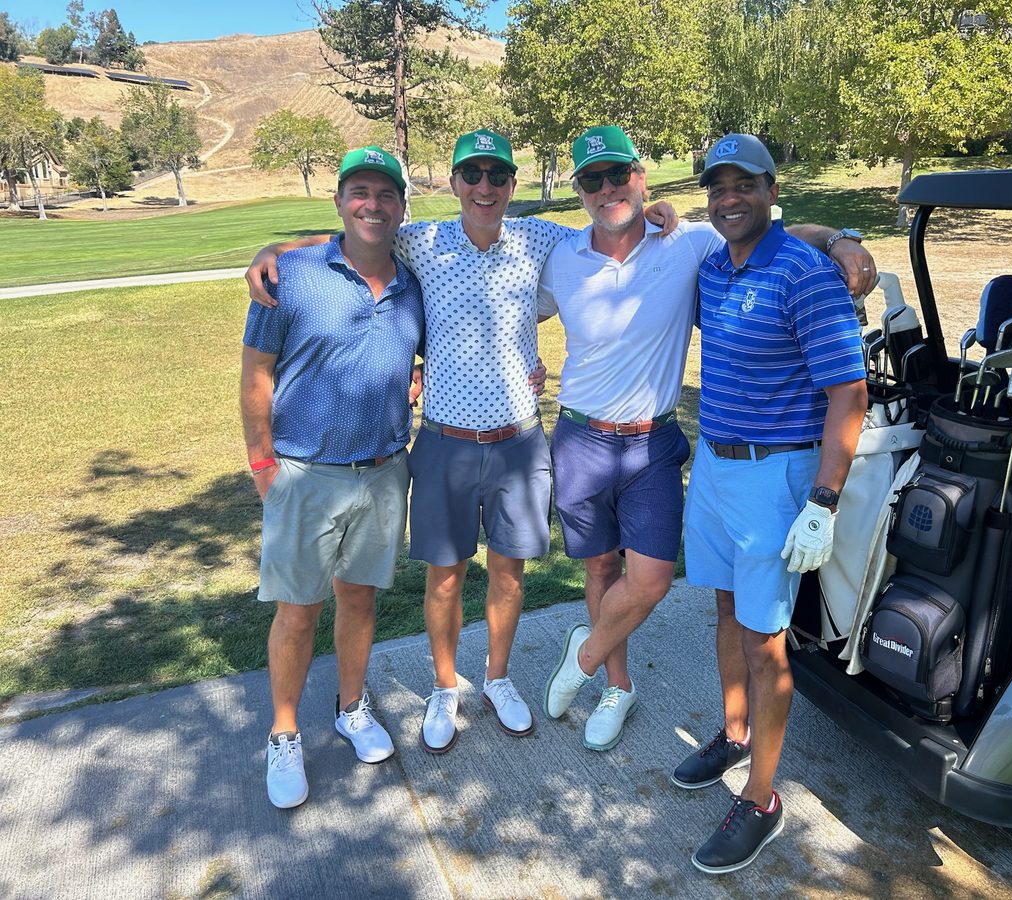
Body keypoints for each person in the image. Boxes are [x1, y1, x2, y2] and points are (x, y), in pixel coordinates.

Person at [244, 130, 676, 755]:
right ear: (452, 184)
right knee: (444, 578)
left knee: (508, 573)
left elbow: (610, 231)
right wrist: (278, 247)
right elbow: (355, 237)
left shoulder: (541, 237)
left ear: (510, 184)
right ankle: (446, 685)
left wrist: (664, 212)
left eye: (497, 176)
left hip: (519, 443)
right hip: (443, 442)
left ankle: (497, 677)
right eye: (471, 174)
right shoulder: (423, 240)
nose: (484, 187)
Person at [539, 126, 875, 755]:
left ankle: (586, 653)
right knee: (617, 573)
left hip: (679, 448)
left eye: (618, 174)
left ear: (641, 177)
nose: (607, 188)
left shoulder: (691, 243)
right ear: (580, 189)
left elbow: (771, 239)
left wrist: (840, 238)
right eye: (592, 179)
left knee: (668, 588)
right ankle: (644, 695)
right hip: (596, 439)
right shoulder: (579, 255)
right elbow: (499, 307)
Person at [673, 134, 868, 874]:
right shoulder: (715, 268)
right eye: (717, 187)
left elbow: (848, 392)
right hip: (718, 467)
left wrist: (822, 498)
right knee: (725, 611)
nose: (729, 198)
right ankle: (735, 733)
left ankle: (761, 799)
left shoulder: (804, 274)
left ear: (769, 186)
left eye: (743, 185)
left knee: (764, 639)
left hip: (775, 478)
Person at [241, 146, 423, 809]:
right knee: (298, 612)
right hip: (303, 473)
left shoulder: (412, 280)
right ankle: (284, 733)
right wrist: (263, 463)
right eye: (359, 192)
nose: (371, 204)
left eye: (385, 193)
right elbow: (256, 374)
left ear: (402, 205)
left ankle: (351, 708)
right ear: (340, 201)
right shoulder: (288, 275)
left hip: (381, 471)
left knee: (359, 601)